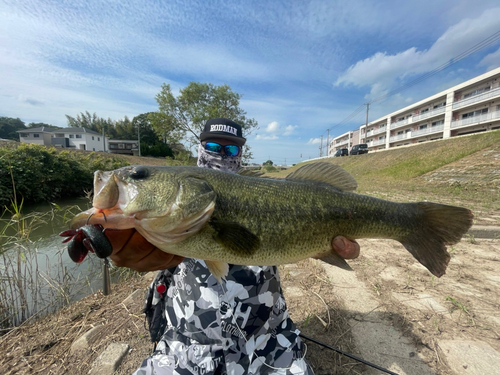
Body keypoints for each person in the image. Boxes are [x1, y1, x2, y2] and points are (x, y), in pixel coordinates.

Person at [105, 118, 360, 375]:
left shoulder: (260, 193)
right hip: (188, 345)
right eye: (213, 146)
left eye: (232, 149)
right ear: (200, 147)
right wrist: (109, 245)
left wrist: (324, 245)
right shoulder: (157, 220)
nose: (221, 155)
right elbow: (113, 233)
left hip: (266, 340)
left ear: (241, 153)